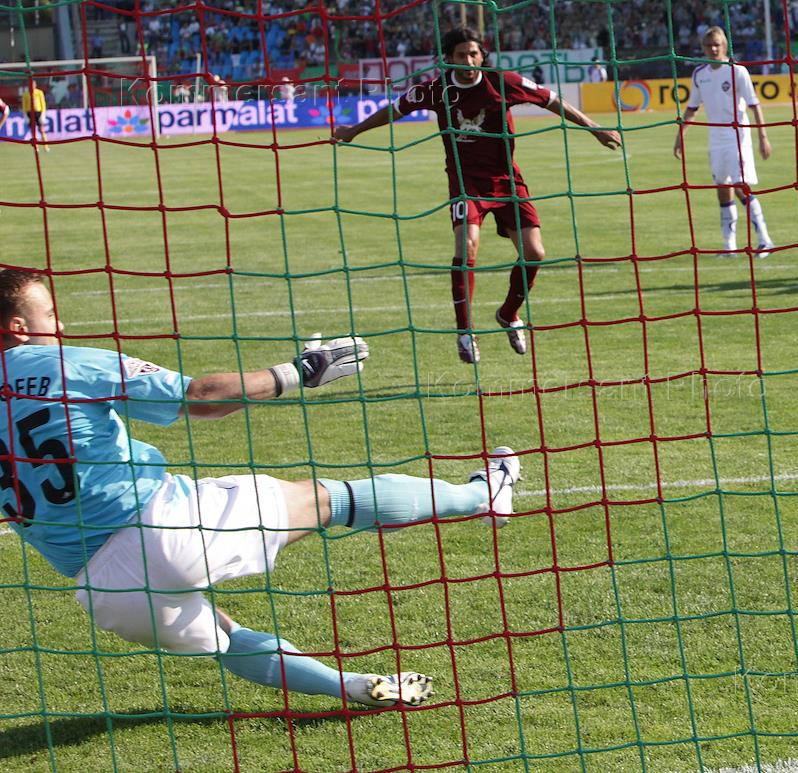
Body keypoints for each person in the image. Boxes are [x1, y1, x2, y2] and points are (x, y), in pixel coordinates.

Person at [0, 269, 522, 708]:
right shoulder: (61, 363)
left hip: (104, 591)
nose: (60, 325)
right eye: (51, 315)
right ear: (19, 328)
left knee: (227, 641)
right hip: (166, 528)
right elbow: (200, 398)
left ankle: (352, 687)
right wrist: (297, 372)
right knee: (330, 500)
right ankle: (484, 495)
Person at [333, 26, 621, 364]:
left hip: (507, 181)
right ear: (448, 59)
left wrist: (595, 129)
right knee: (467, 245)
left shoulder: (504, 82)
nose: (468, 61)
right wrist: (354, 131)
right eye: (461, 55)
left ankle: (508, 314)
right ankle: (465, 331)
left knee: (535, 253)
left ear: (482, 56)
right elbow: (395, 109)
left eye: (473, 54)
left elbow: (552, 100)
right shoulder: (436, 89)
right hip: (465, 181)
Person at [673, 27, 774, 260]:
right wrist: (680, 136)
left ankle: (764, 240)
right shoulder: (700, 74)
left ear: (724, 46)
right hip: (715, 139)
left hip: (738, 137)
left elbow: (754, 105)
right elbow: (692, 109)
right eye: (709, 45)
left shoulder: (737, 71)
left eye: (717, 44)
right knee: (722, 189)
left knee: (741, 187)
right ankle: (729, 247)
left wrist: (763, 137)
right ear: (703, 48)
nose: (713, 49)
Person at [20, 81, 48, 152]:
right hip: (30, 113)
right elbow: (24, 106)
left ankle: (46, 146)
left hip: (38, 112)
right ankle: (36, 147)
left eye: (33, 84)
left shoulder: (39, 92)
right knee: (33, 132)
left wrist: (43, 114)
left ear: (35, 85)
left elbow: (43, 103)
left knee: (42, 130)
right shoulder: (25, 94)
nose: (31, 86)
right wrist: (25, 115)